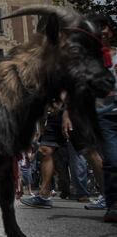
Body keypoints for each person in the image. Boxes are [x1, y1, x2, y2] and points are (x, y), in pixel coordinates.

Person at [90, 15, 117, 222]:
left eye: (104, 27)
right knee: (112, 160)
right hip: (105, 117)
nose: (101, 32)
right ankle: (114, 205)